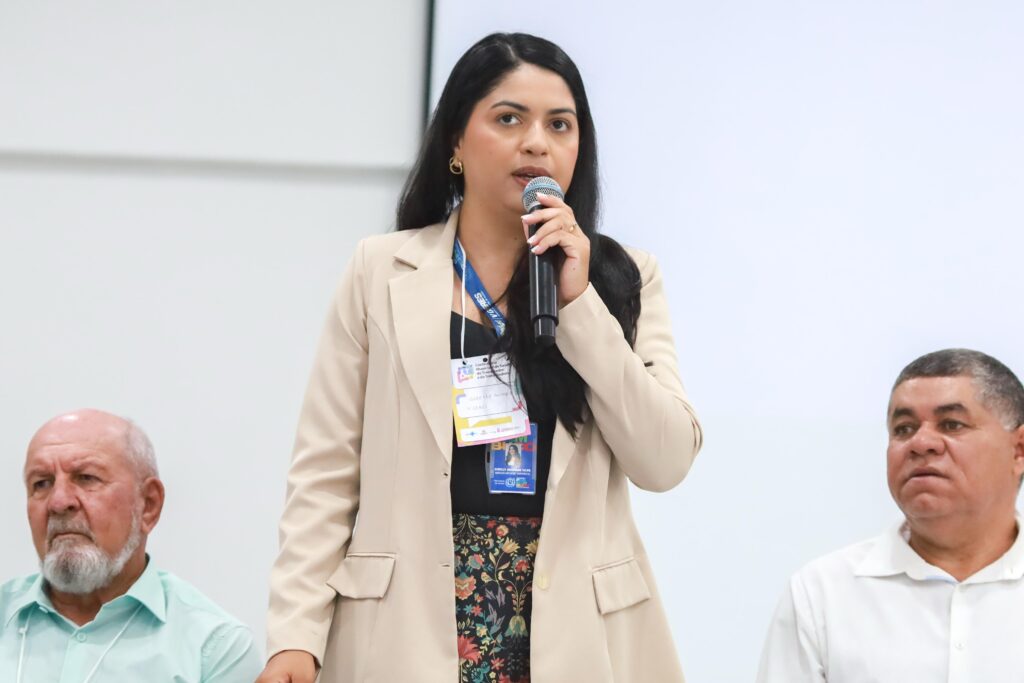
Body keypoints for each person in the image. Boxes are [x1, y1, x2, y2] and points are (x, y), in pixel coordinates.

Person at [258, 32, 703, 683]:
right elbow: (324, 475)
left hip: (571, 628)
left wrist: (579, 303)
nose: (536, 143)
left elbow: (664, 460)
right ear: (456, 143)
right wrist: (296, 635)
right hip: (409, 623)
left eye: (559, 124)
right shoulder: (380, 271)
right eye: (509, 118)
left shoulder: (623, 277)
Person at [757, 349, 1024, 682]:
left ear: (1018, 450)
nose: (920, 442)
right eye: (903, 428)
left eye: (951, 424)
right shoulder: (822, 594)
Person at [0, 409, 262, 683]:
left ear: (148, 505)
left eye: (86, 478)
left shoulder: (214, 649)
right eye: (42, 483)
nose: (59, 502)